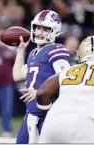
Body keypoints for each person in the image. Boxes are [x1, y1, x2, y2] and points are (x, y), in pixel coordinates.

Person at [13, 10, 71, 143]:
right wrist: (21, 50)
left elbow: (67, 81)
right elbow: (17, 76)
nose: (39, 32)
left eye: (45, 29)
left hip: (48, 115)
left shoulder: (56, 50)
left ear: (55, 31)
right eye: (38, 28)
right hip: (31, 114)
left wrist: (41, 92)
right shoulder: (33, 52)